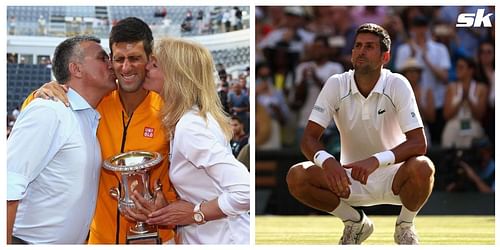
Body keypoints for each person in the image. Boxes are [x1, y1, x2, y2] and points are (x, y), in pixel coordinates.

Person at [23, 17, 177, 244]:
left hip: (156, 236)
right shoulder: (94, 105)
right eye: (119, 59)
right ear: (111, 61)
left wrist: (168, 209)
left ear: (149, 60)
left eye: (134, 58)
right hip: (99, 239)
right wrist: (39, 93)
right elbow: (38, 115)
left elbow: (185, 179)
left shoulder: (168, 111)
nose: (126, 67)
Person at [286, 23, 435, 245]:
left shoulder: (397, 83)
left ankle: (405, 226)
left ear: (385, 57)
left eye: (369, 46)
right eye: (357, 46)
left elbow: (418, 144)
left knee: (424, 167)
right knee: (296, 176)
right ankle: (355, 222)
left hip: (395, 179)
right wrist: (328, 162)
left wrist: (376, 161)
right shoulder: (336, 84)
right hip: (348, 180)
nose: (361, 51)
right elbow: (308, 139)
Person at [123, 37, 250, 244]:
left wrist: (195, 213)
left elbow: (245, 191)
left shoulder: (190, 126)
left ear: (175, 75)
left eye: (154, 65)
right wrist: (171, 210)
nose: (145, 67)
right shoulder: (189, 119)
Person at [7, 35, 116, 244]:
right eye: (103, 58)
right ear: (76, 69)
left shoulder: (86, 117)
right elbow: (9, 182)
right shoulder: (49, 110)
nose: (111, 64)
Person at [441, 56, 488, 148]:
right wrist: (461, 100)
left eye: (461, 67)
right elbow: (446, 115)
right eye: (457, 67)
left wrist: (468, 99)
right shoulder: (451, 87)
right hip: (454, 125)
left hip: (473, 124)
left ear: (471, 70)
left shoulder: (481, 88)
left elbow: (480, 115)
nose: (458, 70)